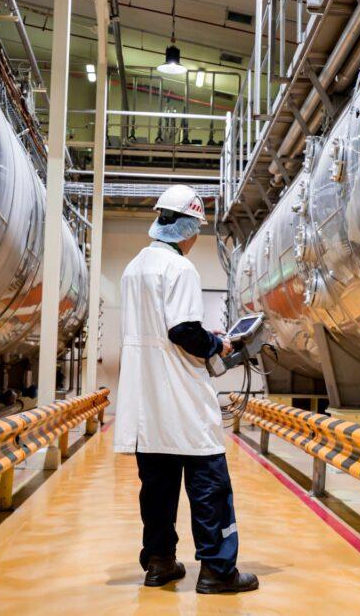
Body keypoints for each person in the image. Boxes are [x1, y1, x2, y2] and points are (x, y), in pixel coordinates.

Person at [113, 185, 259, 595]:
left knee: (156, 491)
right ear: (187, 227)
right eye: (196, 228)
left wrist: (202, 335)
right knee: (210, 487)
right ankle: (217, 570)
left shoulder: (134, 267)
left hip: (147, 405)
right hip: (182, 401)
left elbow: (162, 330)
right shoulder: (180, 269)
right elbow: (181, 332)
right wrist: (218, 343)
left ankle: (159, 563)